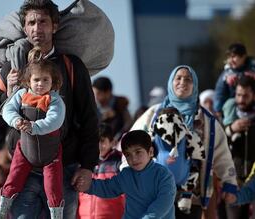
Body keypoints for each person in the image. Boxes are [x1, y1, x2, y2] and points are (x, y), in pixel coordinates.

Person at [0, 0, 99, 218]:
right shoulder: (12, 66)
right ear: (24, 28)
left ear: (55, 26)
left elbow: (90, 119)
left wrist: (88, 166)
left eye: (43, 22)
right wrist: (8, 93)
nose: (37, 28)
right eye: (32, 22)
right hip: (22, 173)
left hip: (64, 170)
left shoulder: (72, 66)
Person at [130, 65, 238, 219]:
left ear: (195, 85)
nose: (183, 82)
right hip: (155, 193)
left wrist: (229, 182)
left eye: (188, 79)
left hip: (191, 198)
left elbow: (222, 154)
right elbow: (132, 143)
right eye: (178, 78)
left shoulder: (206, 121)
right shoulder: (153, 114)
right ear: (170, 82)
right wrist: (127, 172)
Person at [0, 46, 66, 218]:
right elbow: (7, 110)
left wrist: (34, 127)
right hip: (25, 150)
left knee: (53, 186)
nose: (41, 84)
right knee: (13, 178)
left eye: (45, 80)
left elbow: (55, 120)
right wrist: (16, 121)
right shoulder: (21, 94)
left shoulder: (54, 99)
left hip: (51, 154)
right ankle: (2, 212)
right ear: (29, 81)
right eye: (37, 80)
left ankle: (57, 216)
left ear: (52, 81)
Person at [76, 130, 176, 219]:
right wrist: (87, 185)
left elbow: (163, 204)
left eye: (138, 152)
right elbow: (107, 188)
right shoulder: (126, 174)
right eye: (128, 154)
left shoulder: (163, 175)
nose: (134, 158)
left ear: (150, 152)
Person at [221, 75, 255, 218]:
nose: (241, 99)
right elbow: (215, 144)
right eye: (239, 95)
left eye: (246, 95)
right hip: (233, 181)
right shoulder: (228, 116)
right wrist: (231, 129)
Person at [77, 123, 125, 219]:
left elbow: (126, 195)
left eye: (102, 141)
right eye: (96, 141)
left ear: (112, 142)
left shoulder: (120, 162)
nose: (98, 145)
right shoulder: (83, 162)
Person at [214, 43, 255, 117]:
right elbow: (219, 93)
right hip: (234, 109)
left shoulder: (252, 69)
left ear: (243, 56)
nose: (230, 60)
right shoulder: (227, 73)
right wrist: (218, 110)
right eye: (229, 57)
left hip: (252, 106)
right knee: (229, 104)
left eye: (233, 57)